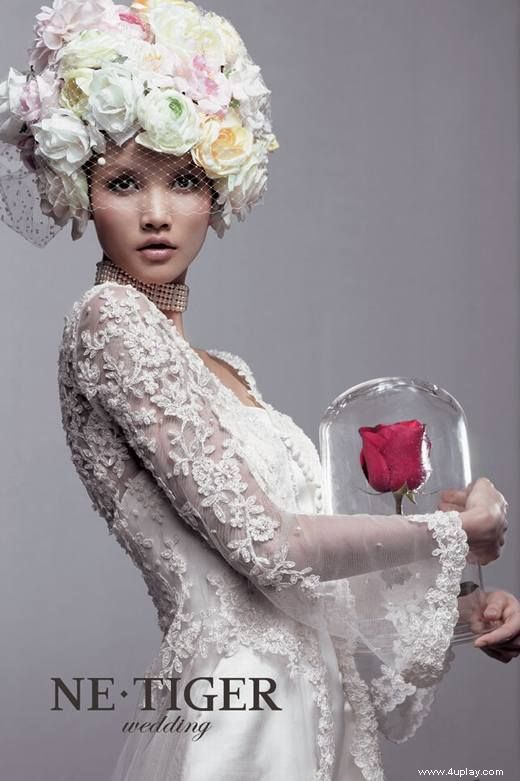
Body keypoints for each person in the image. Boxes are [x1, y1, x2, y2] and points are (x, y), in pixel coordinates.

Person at [0, 2, 518, 779]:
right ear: (78, 190)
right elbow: (272, 549)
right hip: (242, 716)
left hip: (310, 709)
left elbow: (310, 593)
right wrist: (452, 533)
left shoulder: (229, 370)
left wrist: (459, 609)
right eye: (123, 181)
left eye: (184, 180)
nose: (155, 214)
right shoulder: (110, 321)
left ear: (219, 192)